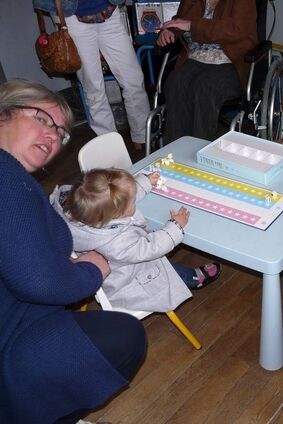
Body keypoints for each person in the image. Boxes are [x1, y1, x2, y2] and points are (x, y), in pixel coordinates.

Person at [0, 79, 146, 423]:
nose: (53, 136)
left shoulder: (15, 178)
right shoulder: (6, 176)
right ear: (4, 113)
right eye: (42, 120)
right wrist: (92, 269)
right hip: (11, 341)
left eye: (61, 133)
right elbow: (41, 284)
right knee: (124, 337)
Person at [51, 168, 222, 313]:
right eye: (132, 202)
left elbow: (117, 195)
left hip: (106, 262)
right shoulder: (116, 242)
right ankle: (193, 278)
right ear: (116, 215)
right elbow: (150, 247)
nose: (134, 202)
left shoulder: (79, 203)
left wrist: (145, 182)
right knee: (166, 271)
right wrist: (175, 227)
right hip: (127, 277)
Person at [33, 0, 151, 150]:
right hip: (74, 17)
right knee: (93, 88)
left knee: (133, 79)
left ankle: (142, 137)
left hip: (109, 11)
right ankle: (110, 146)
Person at [156, 0, 258, 142]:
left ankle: (199, 150)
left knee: (204, 87)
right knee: (175, 82)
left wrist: (192, 26)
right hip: (195, 58)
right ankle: (175, 152)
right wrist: (169, 31)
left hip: (229, 62)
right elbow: (180, 20)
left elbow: (237, 28)